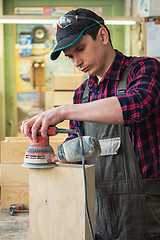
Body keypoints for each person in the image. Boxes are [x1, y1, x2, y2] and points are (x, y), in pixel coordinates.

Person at [21, 8, 160, 240]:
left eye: (80, 49)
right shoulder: (82, 94)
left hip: (146, 214)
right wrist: (55, 153)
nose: (77, 62)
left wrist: (63, 111)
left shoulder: (144, 69)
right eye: (70, 56)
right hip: (100, 214)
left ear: (103, 36)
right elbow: (77, 149)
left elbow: (137, 106)